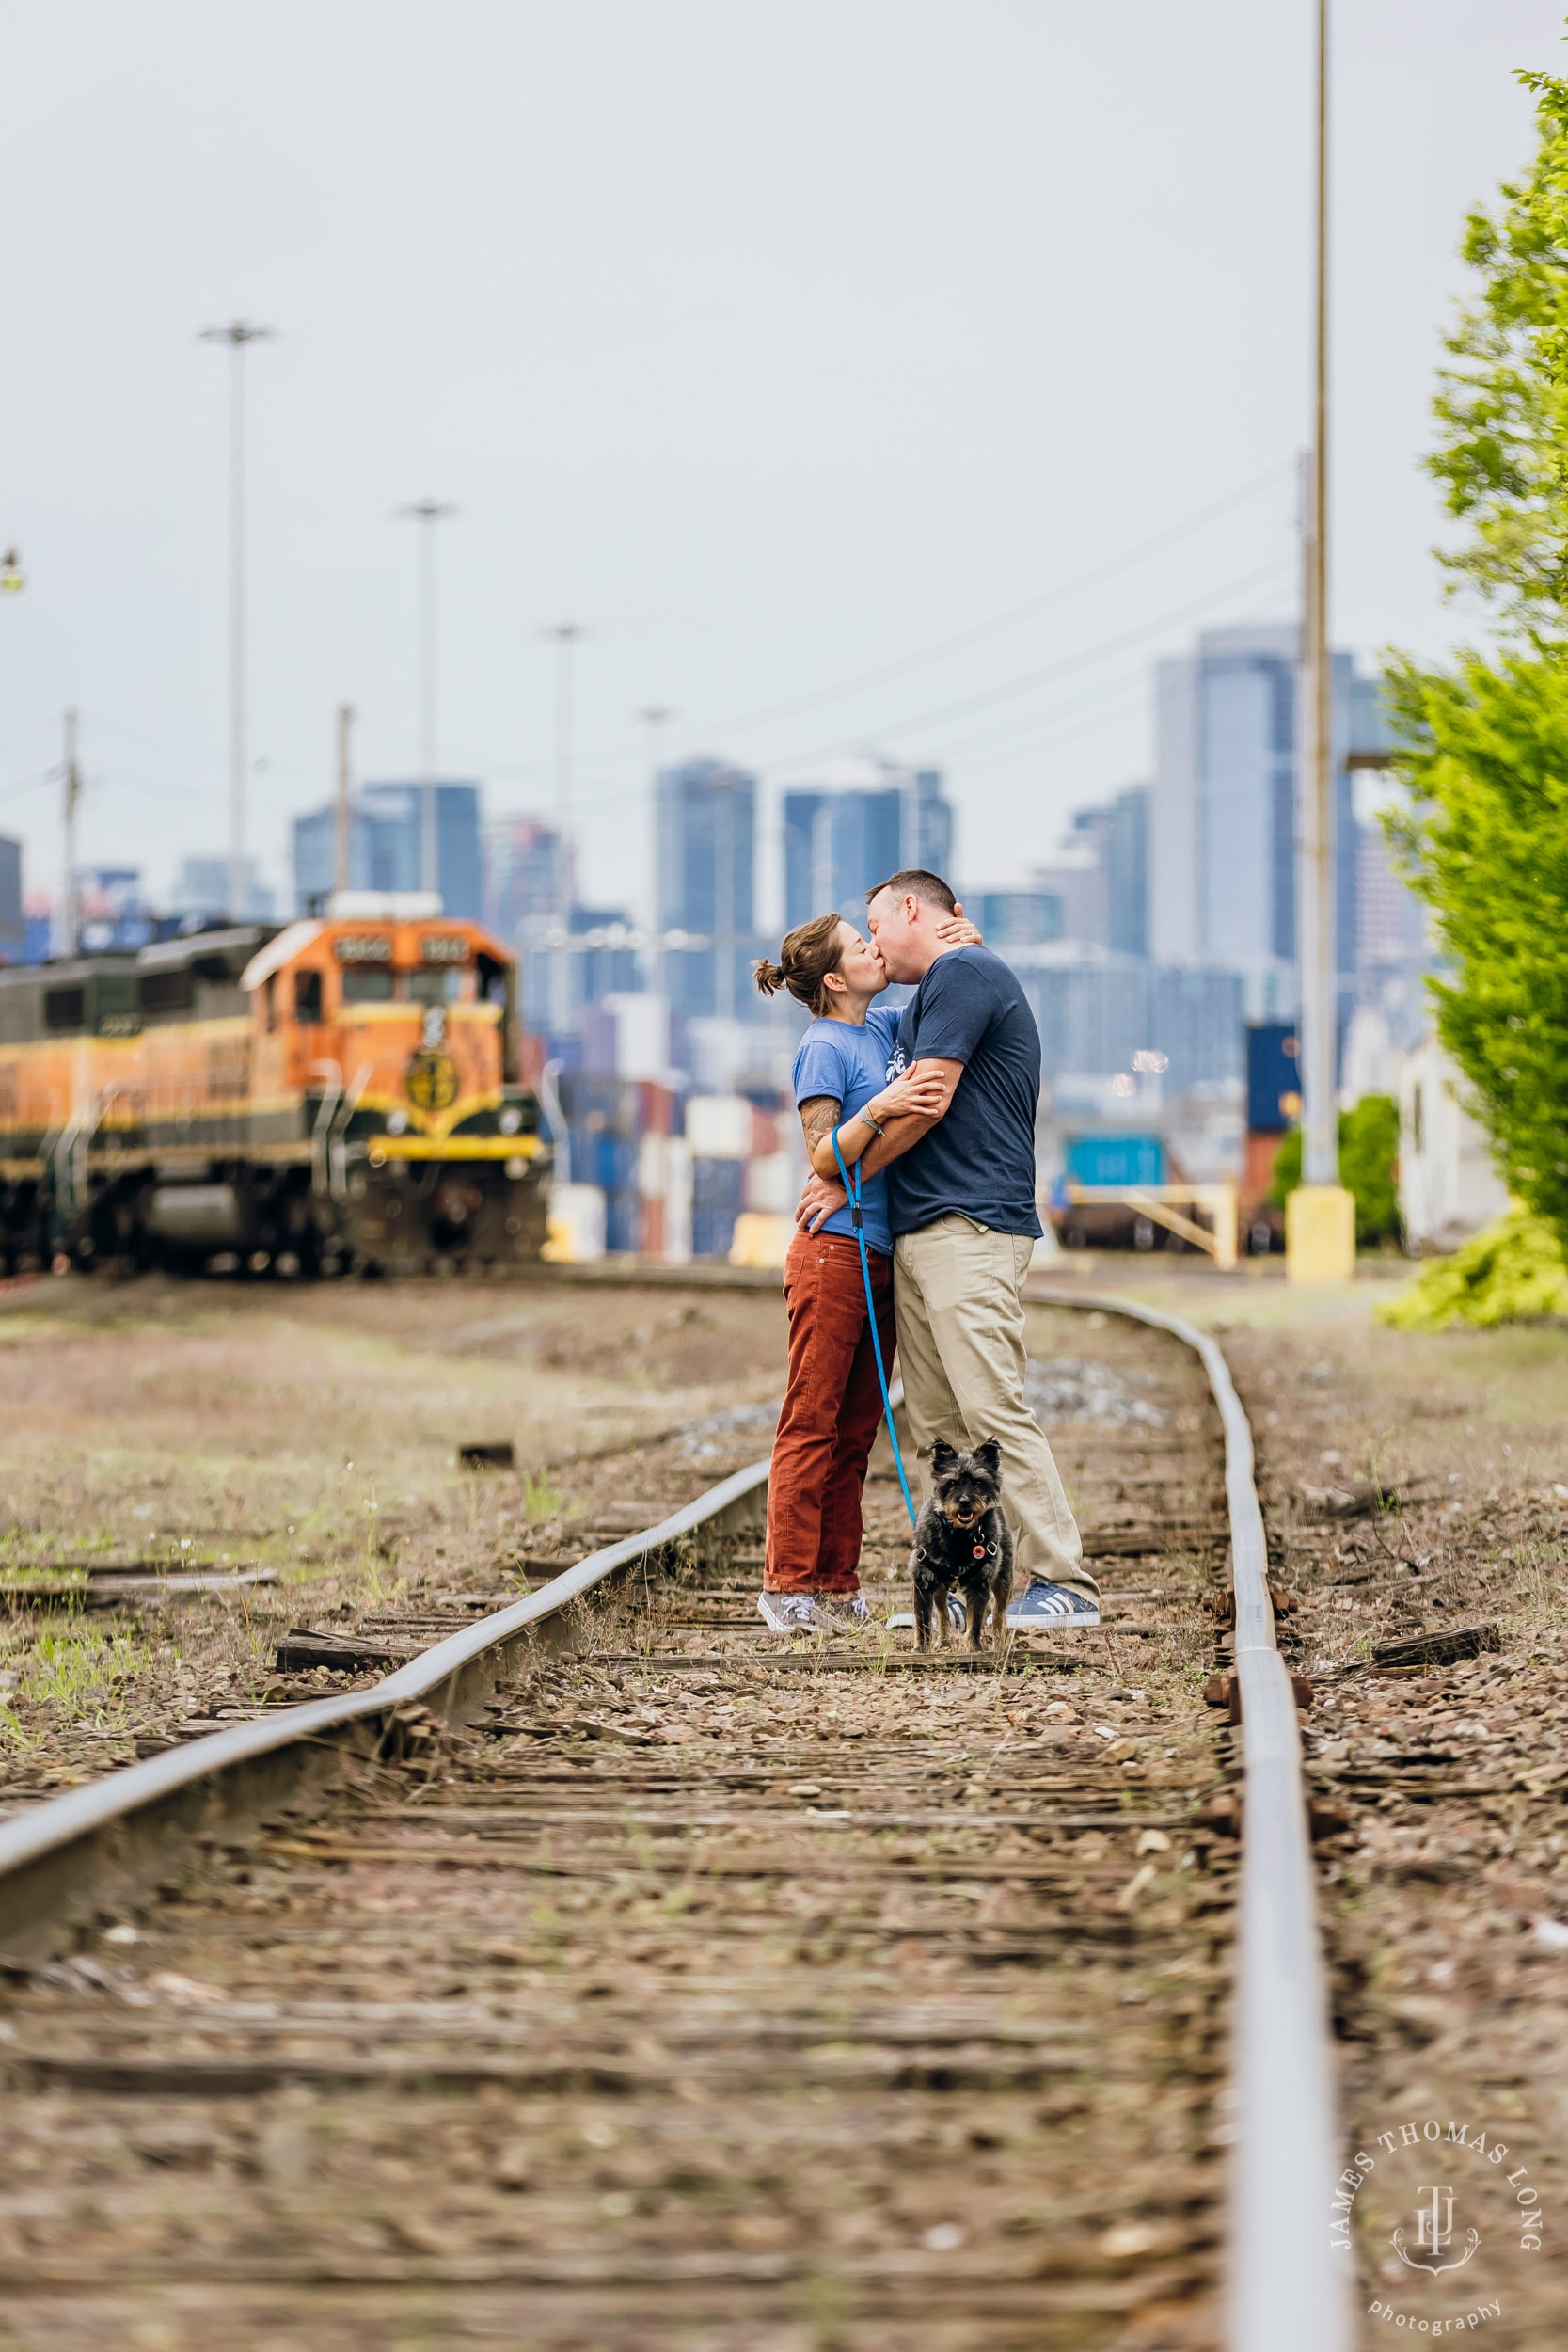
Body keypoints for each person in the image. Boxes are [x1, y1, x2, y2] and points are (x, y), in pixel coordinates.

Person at [795, 867, 1100, 1629]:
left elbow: (926, 1100)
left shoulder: (964, 971)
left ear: (907, 908)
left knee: (990, 1407)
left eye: (873, 924)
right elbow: (872, 1037)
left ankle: (1063, 1582)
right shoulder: (926, 999)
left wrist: (846, 1173)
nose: (870, 942)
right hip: (921, 1234)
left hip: (970, 1226)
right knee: (940, 1427)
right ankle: (970, 1596)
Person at [752, 906, 977, 1634]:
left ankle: (837, 1586)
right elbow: (820, 1155)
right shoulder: (822, 1047)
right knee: (810, 1421)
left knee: (855, 1428)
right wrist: (880, 1106)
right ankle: (787, 1584)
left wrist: (959, 943)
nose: (875, 949)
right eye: (860, 945)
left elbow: (944, 990)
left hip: (880, 1253)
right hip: (832, 1251)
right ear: (832, 977)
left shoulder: (880, 1029)